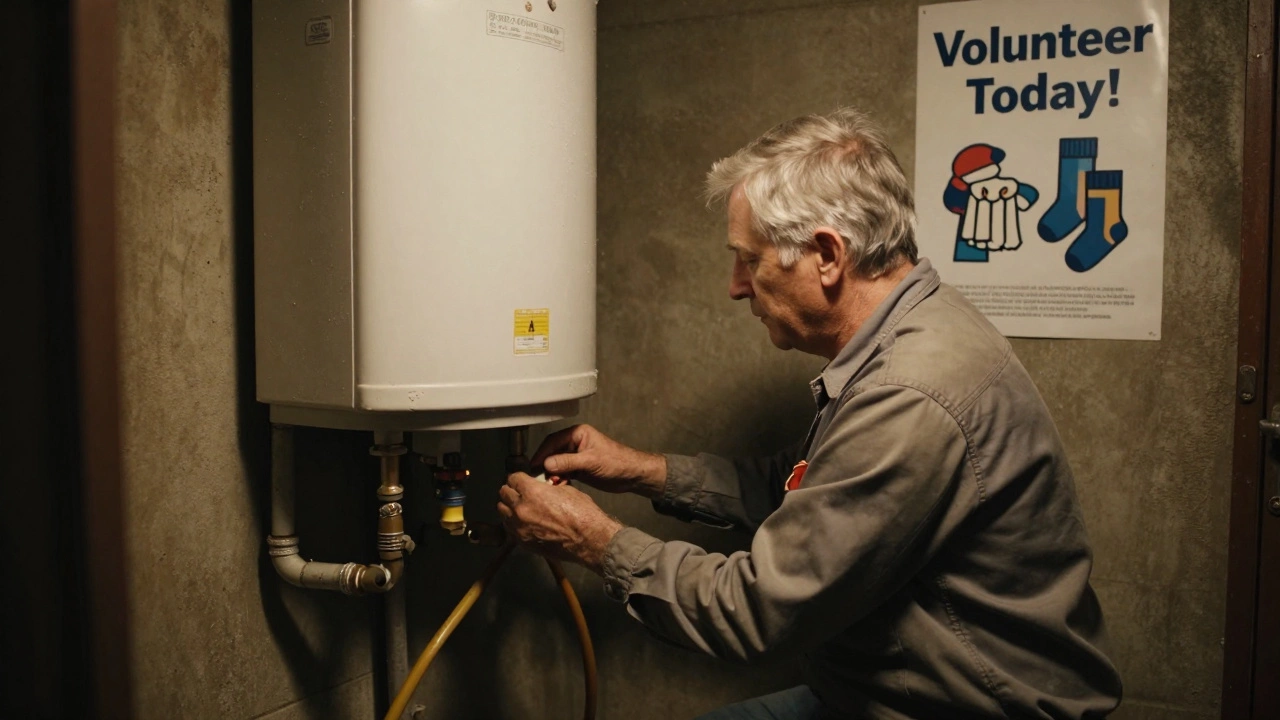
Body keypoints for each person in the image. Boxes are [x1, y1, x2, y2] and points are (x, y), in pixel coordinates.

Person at [496, 108, 1123, 719]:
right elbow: (813, 496)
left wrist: (592, 540)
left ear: (826, 254)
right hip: (877, 691)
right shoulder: (914, 325)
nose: (736, 286)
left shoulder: (912, 391)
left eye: (749, 258)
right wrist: (641, 470)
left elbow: (757, 610)